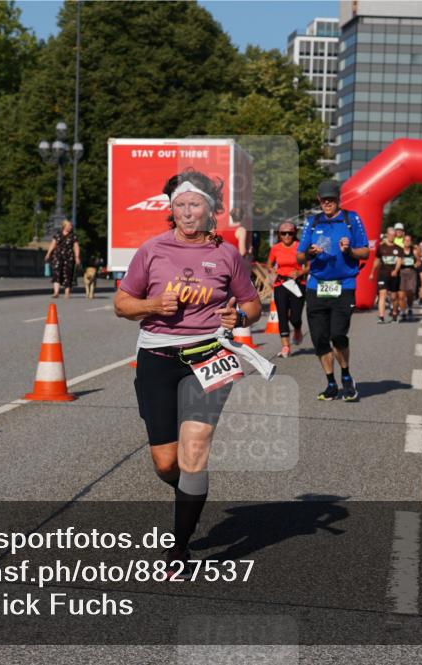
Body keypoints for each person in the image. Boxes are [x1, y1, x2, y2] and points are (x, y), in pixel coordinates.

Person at [114, 168, 262, 569]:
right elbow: (121, 304)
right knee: (167, 463)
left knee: (195, 449)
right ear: (171, 210)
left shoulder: (227, 255)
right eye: (179, 205)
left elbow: (252, 304)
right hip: (157, 358)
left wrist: (240, 318)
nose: (186, 212)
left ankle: (179, 548)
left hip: (211, 355)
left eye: (194, 204)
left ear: (210, 210)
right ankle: (190, 492)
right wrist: (151, 306)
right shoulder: (152, 250)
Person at [297, 180, 370, 401]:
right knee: (319, 338)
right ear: (319, 200)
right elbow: (299, 257)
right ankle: (331, 383)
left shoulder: (351, 219)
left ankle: (346, 377)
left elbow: (365, 252)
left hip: (344, 284)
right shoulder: (313, 222)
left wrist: (349, 251)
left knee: (338, 335)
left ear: (339, 199)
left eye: (331, 199)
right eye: (324, 200)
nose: (328, 203)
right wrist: (310, 252)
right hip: (316, 285)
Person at [267, 221, 307, 357]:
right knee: (282, 315)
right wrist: (273, 272)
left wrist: (300, 272)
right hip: (281, 284)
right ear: (279, 235)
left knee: (295, 317)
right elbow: (269, 264)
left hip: (298, 284)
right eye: (283, 233)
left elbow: (309, 266)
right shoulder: (275, 248)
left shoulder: (300, 247)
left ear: (294, 233)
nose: (287, 236)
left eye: (290, 233)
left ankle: (297, 328)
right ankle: (285, 346)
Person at [45, 220, 81, 298]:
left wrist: (77, 257)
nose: (71, 227)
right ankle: (56, 292)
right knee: (56, 273)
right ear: (64, 226)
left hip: (69, 257)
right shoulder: (57, 235)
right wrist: (48, 254)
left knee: (67, 274)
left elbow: (76, 247)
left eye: (71, 226)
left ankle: (67, 293)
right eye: (69, 226)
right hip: (57, 256)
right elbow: (53, 244)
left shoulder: (73, 236)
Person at [374, 226, 401, 323]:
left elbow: (399, 261)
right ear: (387, 235)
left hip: (393, 275)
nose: (391, 237)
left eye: (393, 235)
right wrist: (372, 272)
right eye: (390, 235)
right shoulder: (381, 247)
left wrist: (396, 270)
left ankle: (394, 313)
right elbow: (377, 260)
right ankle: (381, 316)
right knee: (382, 294)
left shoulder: (398, 249)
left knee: (394, 297)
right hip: (383, 273)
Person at [396, 234, 421, 321]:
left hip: (411, 273)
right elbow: (397, 261)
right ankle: (403, 311)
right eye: (406, 240)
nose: (407, 242)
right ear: (403, 242)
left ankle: (409, 307)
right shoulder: (400, 251)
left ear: (411, 242)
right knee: (401, 295)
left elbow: (419, 262)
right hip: (402, 273)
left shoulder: (414, 251)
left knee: (410, 292)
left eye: (409, 240)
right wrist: (399, 263)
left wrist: (416, 264)